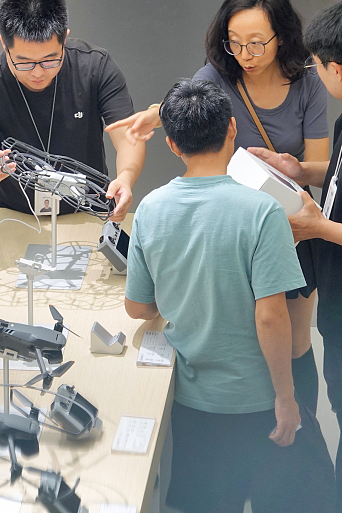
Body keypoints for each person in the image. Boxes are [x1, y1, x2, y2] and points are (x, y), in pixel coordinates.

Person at [107, 0, 327, 414]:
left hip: (289, 223)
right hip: (231, 224)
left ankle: (294, 416)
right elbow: (187, 105)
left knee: (295, 338)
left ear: (281, 36)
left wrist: (291, 169)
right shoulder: (217, 75)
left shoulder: (307, 83)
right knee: (239, 324)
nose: (245, 53)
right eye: (236, 43)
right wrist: (154, 114)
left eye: (257, 43)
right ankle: (249, 407)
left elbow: (317, 170)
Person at [125, 78, 334, 513]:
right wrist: (286, 398)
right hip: (259, 404)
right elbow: (272, 317)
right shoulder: (262, 211)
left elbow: (137, 307)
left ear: (171, 144)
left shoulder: (151, 209)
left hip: (193, 403)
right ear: (233, 130)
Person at [249, 0, 342, 508]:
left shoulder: (308, 90)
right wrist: (299, 169)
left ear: (335, 69)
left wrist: (319, 228)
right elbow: (335, 174)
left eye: (320, 65)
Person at [0, 0, 144, 222]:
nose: (37, 73)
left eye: (50, 60)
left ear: (64, 38)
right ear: (4, 44)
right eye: (23, 62)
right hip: (14, 218)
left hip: (87, 210)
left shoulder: (95, 67)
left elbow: (129, 136)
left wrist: (126, 178)